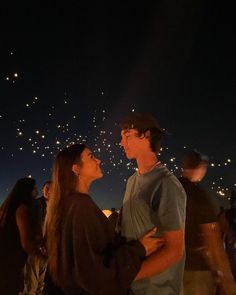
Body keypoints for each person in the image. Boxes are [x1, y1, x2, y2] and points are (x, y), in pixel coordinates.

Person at [45, 143, 163, 295]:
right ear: (76, 169)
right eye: (91, 156)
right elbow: (94, 274)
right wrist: (140, 248)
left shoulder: (69, 205)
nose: (98, 160)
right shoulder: (80, 207)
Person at [119, 112, 186, 295]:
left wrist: (127, 275)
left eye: (127, 136)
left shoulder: (166, 183)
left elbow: (174, 250)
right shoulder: (132, 181)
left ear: (147, 135)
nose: (121, 143)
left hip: (158, 289)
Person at [178, 150, 236, 295]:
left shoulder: (171, 190)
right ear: (201, 168)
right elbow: (212, 239)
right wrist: (227, 278)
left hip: (171, 268)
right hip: (196, 270)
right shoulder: (199, 196)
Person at [0, 177, 43, 295]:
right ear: (27, 191)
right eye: (34, 189)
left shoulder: (8, 207)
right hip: (12, 262)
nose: (37, 192)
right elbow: (26, 243)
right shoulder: (22, 210)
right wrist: (43, 256)